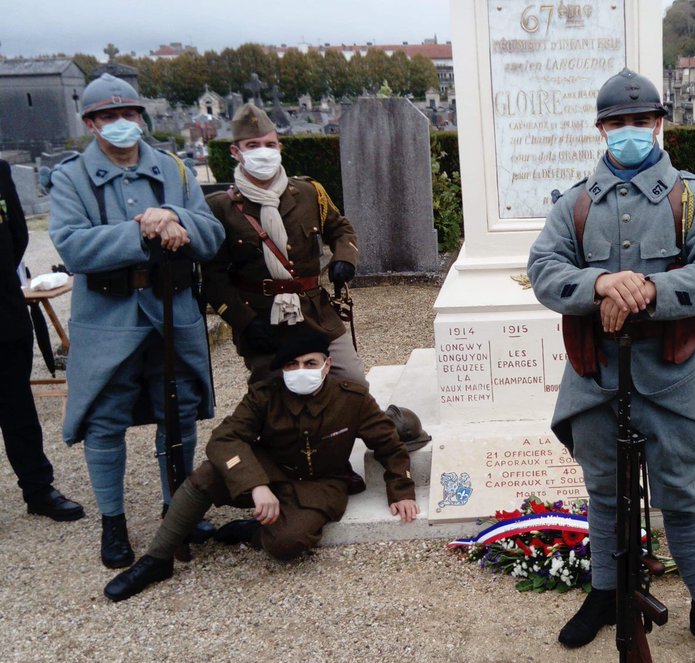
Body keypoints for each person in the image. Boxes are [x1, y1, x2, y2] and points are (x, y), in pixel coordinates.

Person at [527, 68, 695, 663]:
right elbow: (544, 269)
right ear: (601, 129)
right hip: (596, 375)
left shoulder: (693, 199)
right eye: (618, 123)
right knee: (602, 494)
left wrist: (646, 287)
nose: (630, 132)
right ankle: (603, 594)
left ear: (659, 125)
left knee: (683, 495)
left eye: (641, 122)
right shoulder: (573, 204)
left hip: (673, 376)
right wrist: (598, 282)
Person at [48, 73, 226, 568]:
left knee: (180, 413)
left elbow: (210, 234)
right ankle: (113, 523)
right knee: (104, 422)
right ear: (90, 123)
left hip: (172, 311)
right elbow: (73, 245)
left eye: (130, 114)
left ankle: (179, 511)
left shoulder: (173, 168)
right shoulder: (71, 178)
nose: (123, 124)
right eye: (109, 116)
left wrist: (172, 215)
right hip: (109, 317)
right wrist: (142, 229)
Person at [103, 328, 420, 602]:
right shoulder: (265, 396)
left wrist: (401, 490)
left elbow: (389, 445)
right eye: (292, 365)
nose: (301, 370)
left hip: (321, 483)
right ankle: (157, 559)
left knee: (287, 545)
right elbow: (223, 439)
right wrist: (256, 484)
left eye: (310, 363)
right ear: (282, 369)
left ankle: (255, 530)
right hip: (270, 471)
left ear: (327, 365)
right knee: (208, 473)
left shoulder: (353, 399)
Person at [204, 104, 365, 386]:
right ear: (235, 152)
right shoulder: (221, 208)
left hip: (315, 310)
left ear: (280, 146)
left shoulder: (307, 192)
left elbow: (340, 228)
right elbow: (214, 276)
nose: (262, 151)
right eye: (252, 145)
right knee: (275, 398)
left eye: (268, 144)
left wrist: (344, 259)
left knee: (352, 382)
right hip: (261, 317)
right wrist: (244, 321)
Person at [0, 159, 85, 521]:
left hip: (3, 315)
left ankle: (38, 490)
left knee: (18, 411)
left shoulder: (1, 171)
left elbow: (17, 235)